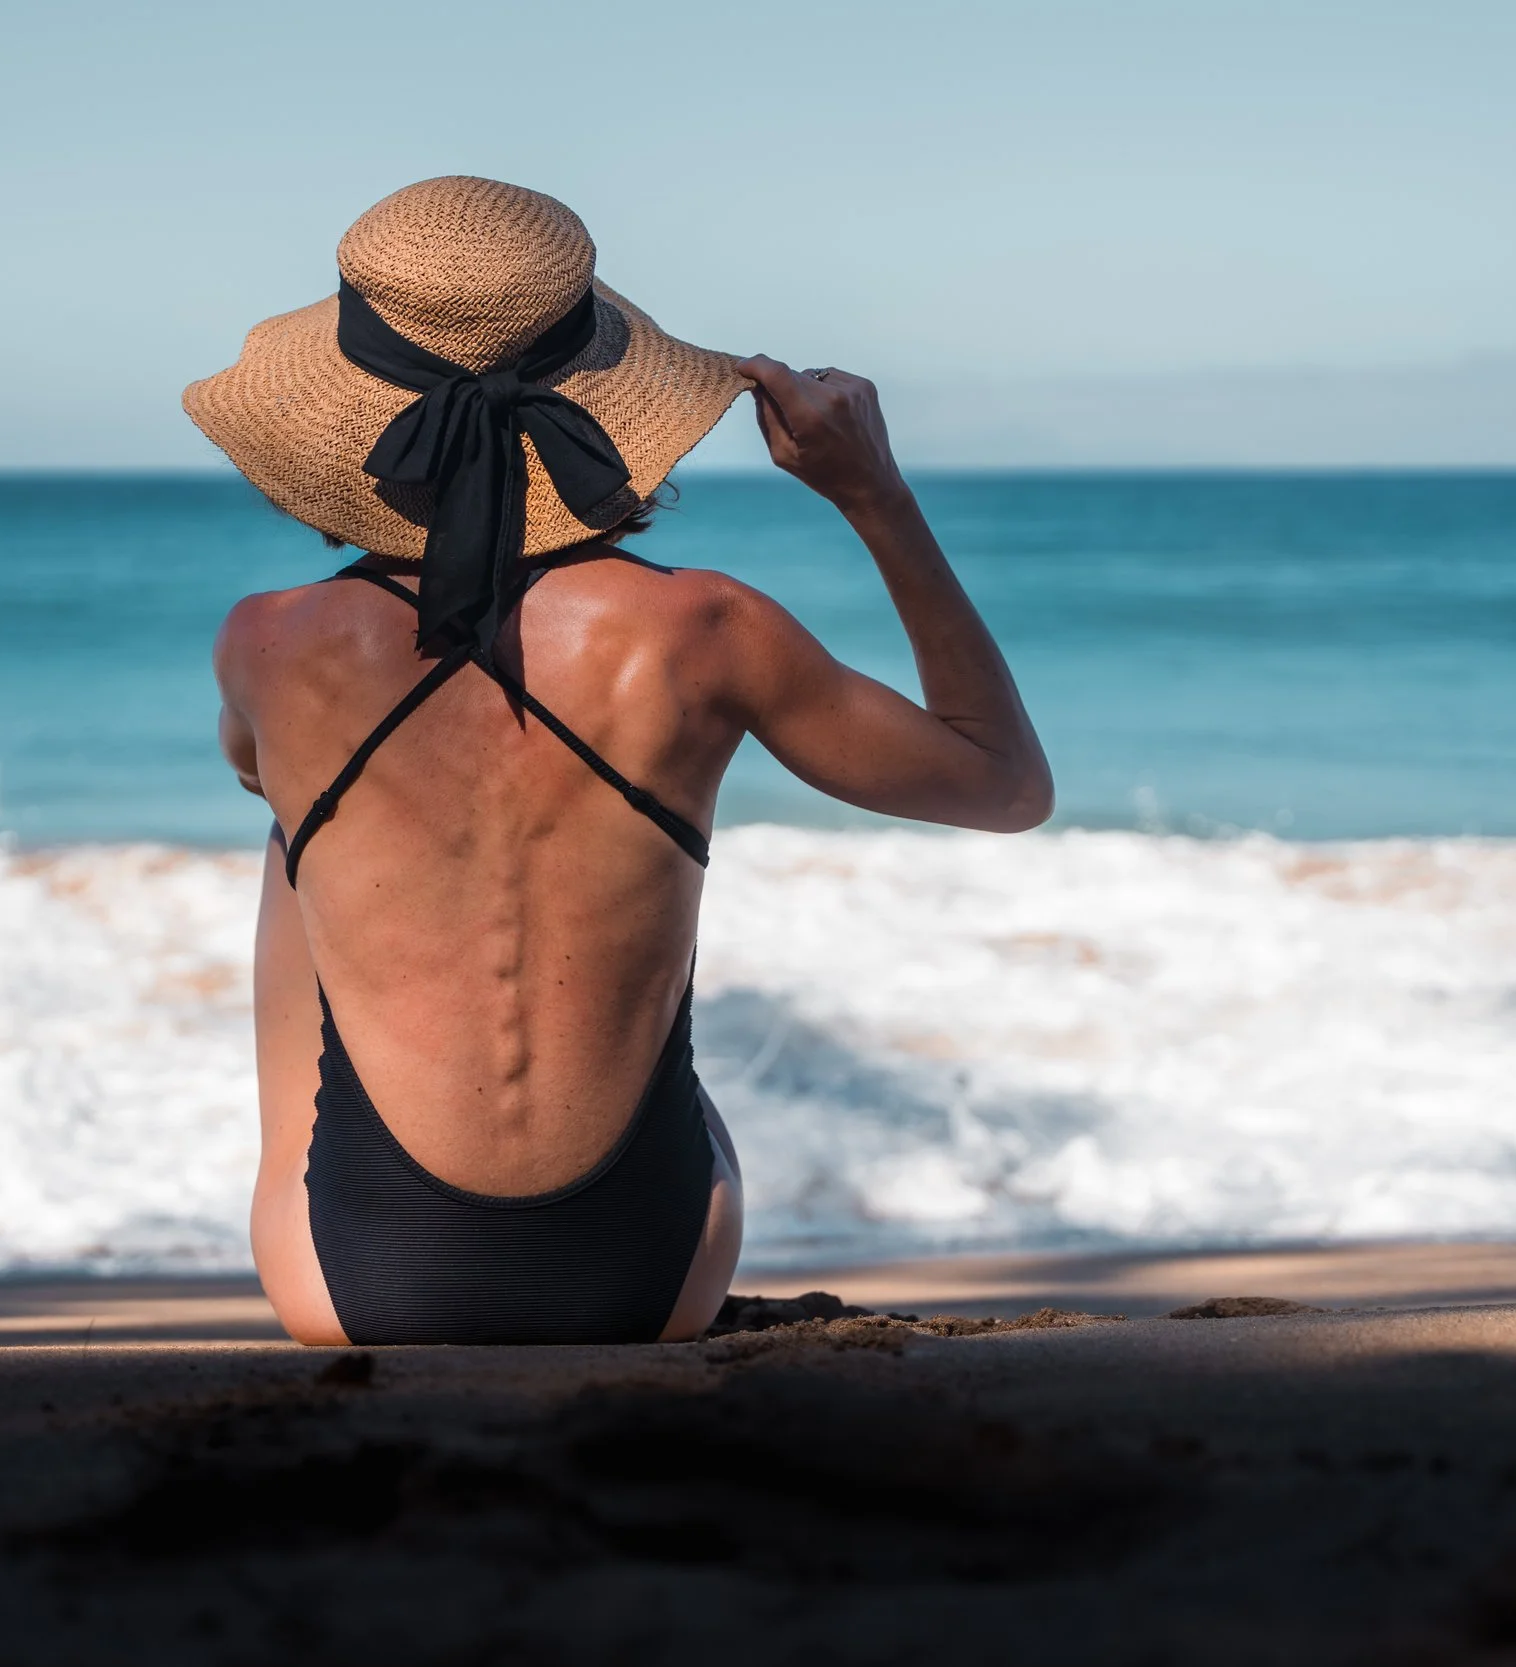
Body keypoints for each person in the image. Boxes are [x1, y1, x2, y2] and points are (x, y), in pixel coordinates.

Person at [188, 177, 1050, 1345]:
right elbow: (1003, 784)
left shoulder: (266, 641)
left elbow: (253, 770)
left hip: (346, 1287)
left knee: (300, 828)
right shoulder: (708, 630)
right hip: (650, 1282)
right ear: (597, 389)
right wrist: (874, 496)